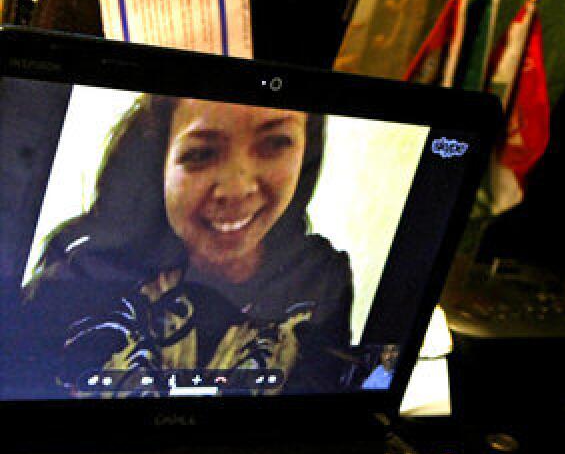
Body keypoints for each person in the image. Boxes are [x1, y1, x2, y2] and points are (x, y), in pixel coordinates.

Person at [21, 94, 353, 396]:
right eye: (201, 154)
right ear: (158, 164)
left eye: (276, 143)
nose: (237, 189)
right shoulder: (71, 289)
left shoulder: (322, 279)